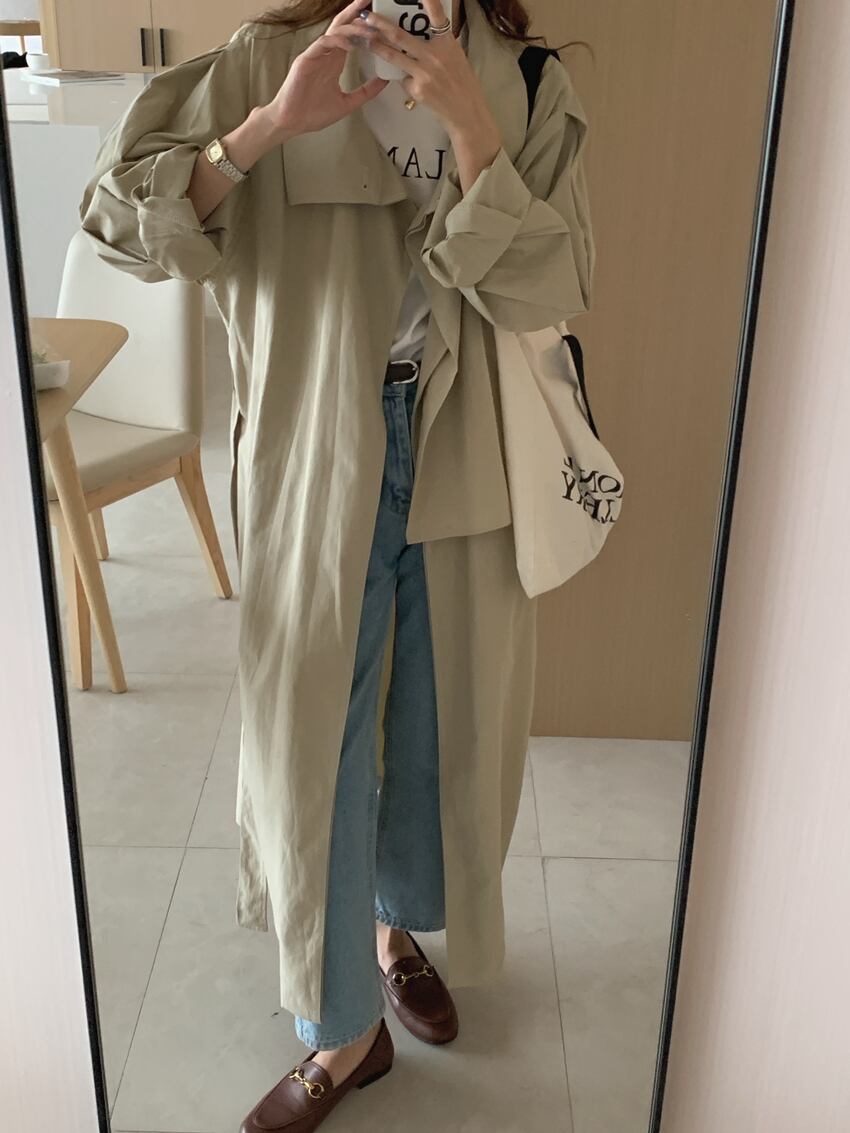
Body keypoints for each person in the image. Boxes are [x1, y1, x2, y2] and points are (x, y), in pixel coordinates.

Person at [79, 0, 594, 1128]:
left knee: (437, 720)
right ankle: (340, 1024)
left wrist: (475, 135)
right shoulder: (265, 60)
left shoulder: (524, 80)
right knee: (314, 729)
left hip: (466, 447)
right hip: (314, 446)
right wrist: (263, 129)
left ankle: (391, 930)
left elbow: (557, 281)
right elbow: (115, 220)